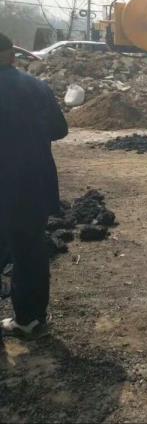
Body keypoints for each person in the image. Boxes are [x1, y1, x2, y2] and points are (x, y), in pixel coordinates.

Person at [0, 33, 68, 340]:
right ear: (12, 56)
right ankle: (30, 320)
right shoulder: (37, 87)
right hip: (32, 182)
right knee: (29, 251)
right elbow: (59, 129)